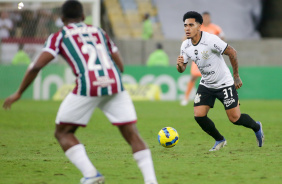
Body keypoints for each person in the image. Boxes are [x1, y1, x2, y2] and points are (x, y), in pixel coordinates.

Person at [3, 1, 158, 184]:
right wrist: (111, 75)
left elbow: (36, 66)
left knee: (62, 133)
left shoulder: (59, 36)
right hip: (114, 84)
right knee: (132, 134)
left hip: (88, 85)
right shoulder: (99, 32)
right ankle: (151, 181)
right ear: (84, 17)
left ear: (62, 19)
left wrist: (19, 92)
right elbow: (119, 63)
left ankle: (91, 174)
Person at [176, 11, 264, 151]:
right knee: (199, 115)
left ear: (199, 26)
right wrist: (180, 65)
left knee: (235, 118)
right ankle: (220, 140)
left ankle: (257, 127)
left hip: (224, 83)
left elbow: (232, 52)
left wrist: (236, 76)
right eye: (185, 25)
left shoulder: (211, 40)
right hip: (206, 84)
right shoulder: (185, 46)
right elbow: (182, 69)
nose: (187, 28)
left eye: (191, 25)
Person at [181, 11, 224, 106]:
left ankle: (222, 98)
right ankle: (186, 98)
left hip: (211, 59)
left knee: (215, 78)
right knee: (193, 77)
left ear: (210, 18)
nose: (206, 19)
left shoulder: (216, 28)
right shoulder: (198, 28)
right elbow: (185, 38)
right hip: (198, 57)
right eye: (204, 17)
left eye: (207, 17)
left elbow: (223, 38)